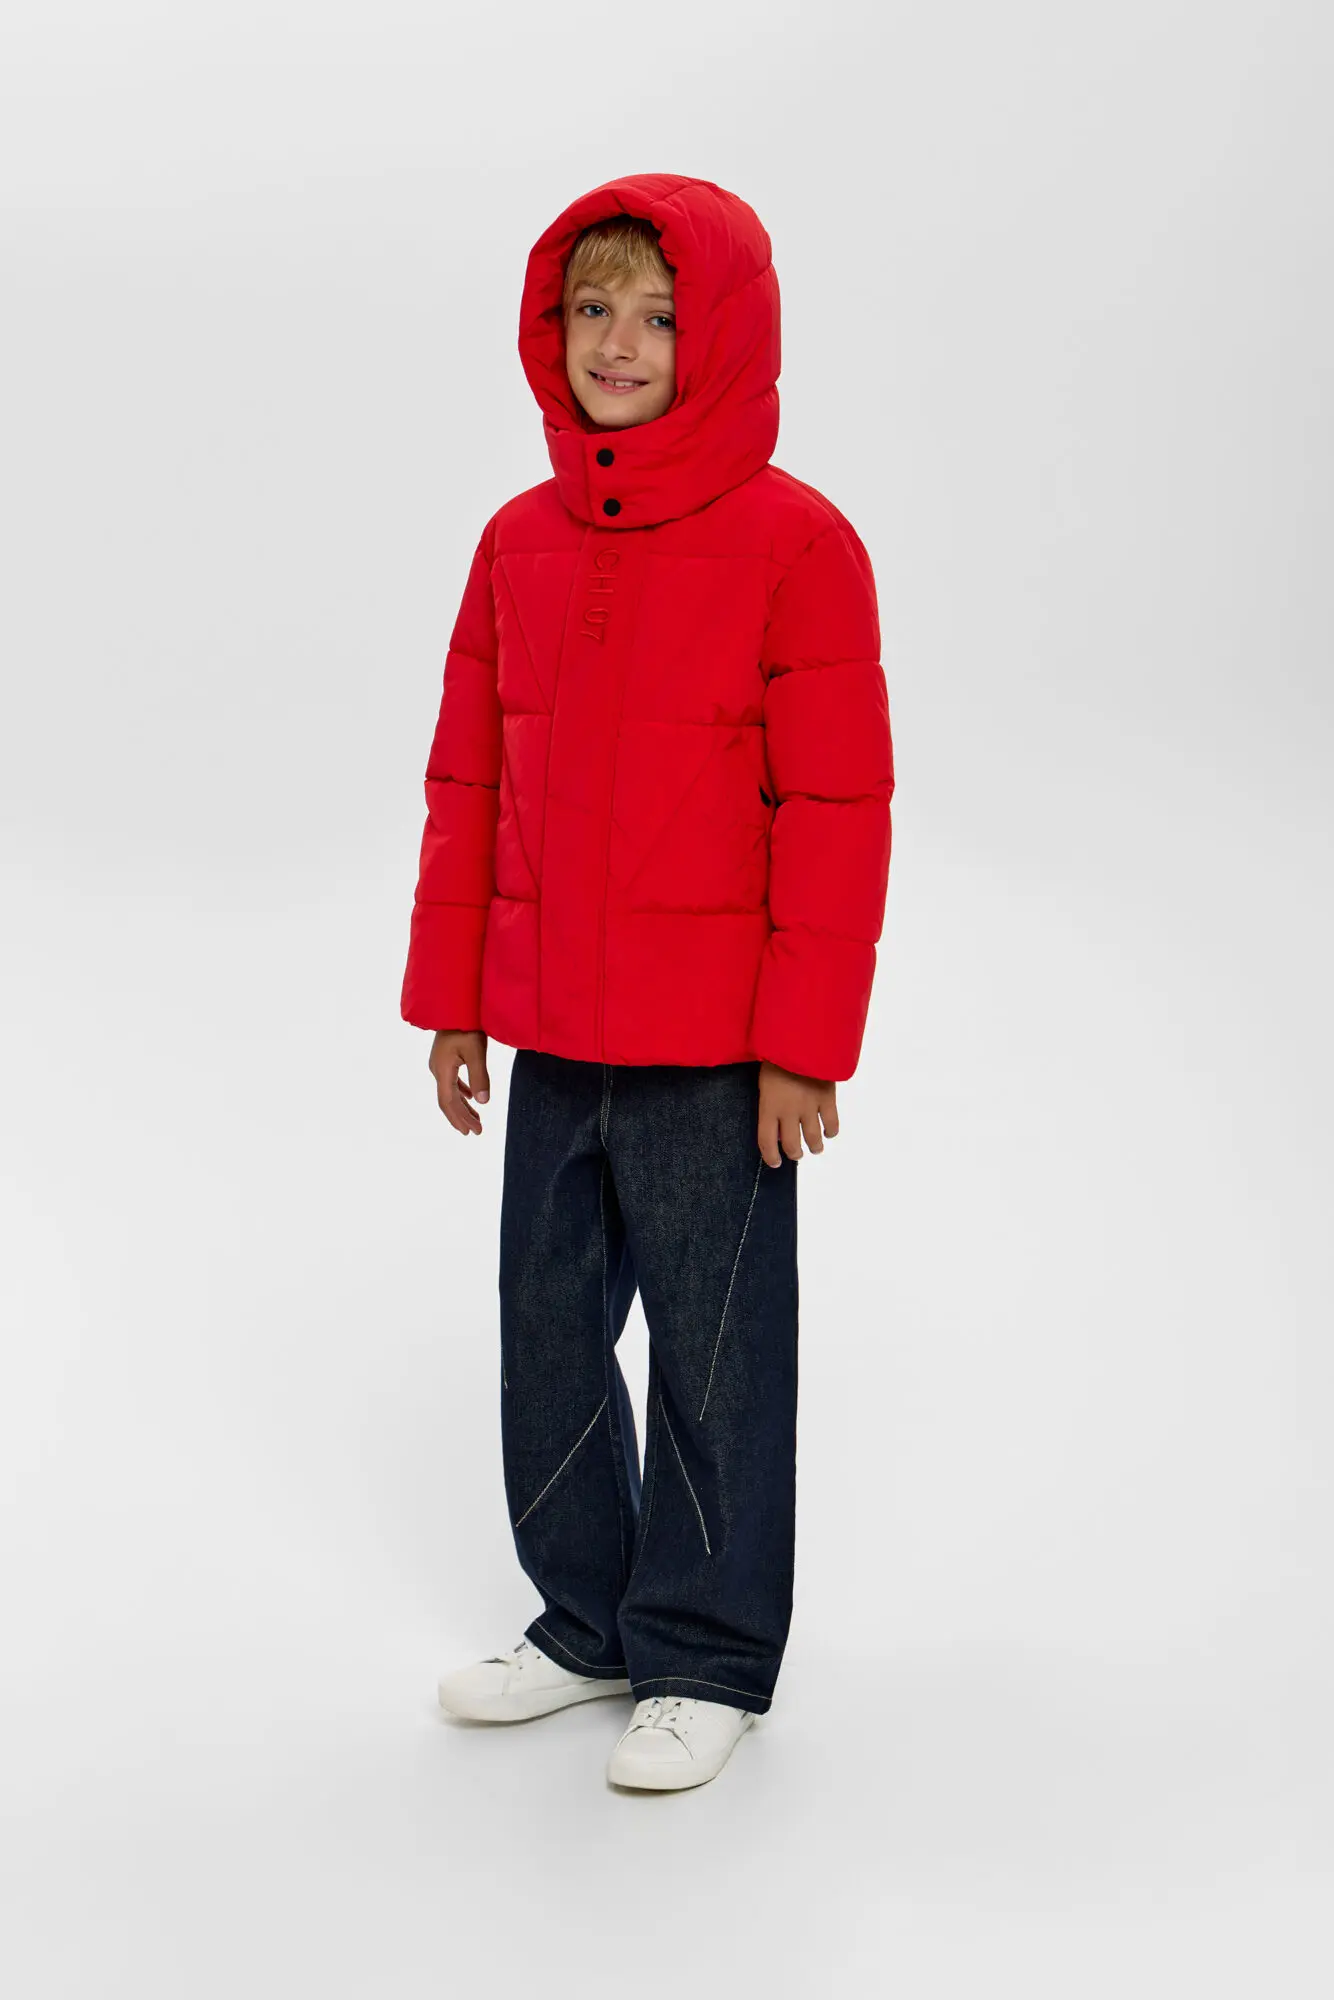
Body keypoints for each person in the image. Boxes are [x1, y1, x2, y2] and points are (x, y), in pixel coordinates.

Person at [400, 172, 894, 1791]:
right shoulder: (515, 542)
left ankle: (706, 1652)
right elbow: (469, 782)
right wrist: (454, 999)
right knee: (545, 1332)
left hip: (716, 1054)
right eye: (590, 309)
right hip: (554, 1032)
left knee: (713, 1355)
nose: (617, 342)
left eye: (660, 316)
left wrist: (802, 1044)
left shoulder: (796, 542)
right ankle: (587, 1623)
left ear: (724, 336)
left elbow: (836, 809)